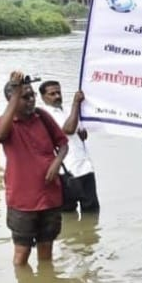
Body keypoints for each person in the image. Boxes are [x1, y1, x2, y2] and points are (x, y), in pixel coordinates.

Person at [0, 71, 69, 266]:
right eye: (24, 97)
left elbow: (63, 144)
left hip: (50, 197)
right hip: (23, 202)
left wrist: (56, 163)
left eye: (32, 95)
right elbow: (0, 135)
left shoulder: (42, 117)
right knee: (21, 255)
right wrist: (16, 91)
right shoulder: (5, 123)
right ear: (13, 100)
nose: (31, 100)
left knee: (47, 253)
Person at [38, 81, 99, 214]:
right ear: (43, 97)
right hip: (67, 170)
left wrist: (82, 132)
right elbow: (69, 129)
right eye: (52, 94)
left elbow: (81, 134)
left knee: (91, 212)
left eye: (58, 92)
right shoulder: (45, 114)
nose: (57, 96)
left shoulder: (66, 110)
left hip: (85, 166)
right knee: (68, 212)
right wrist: (76, 103)